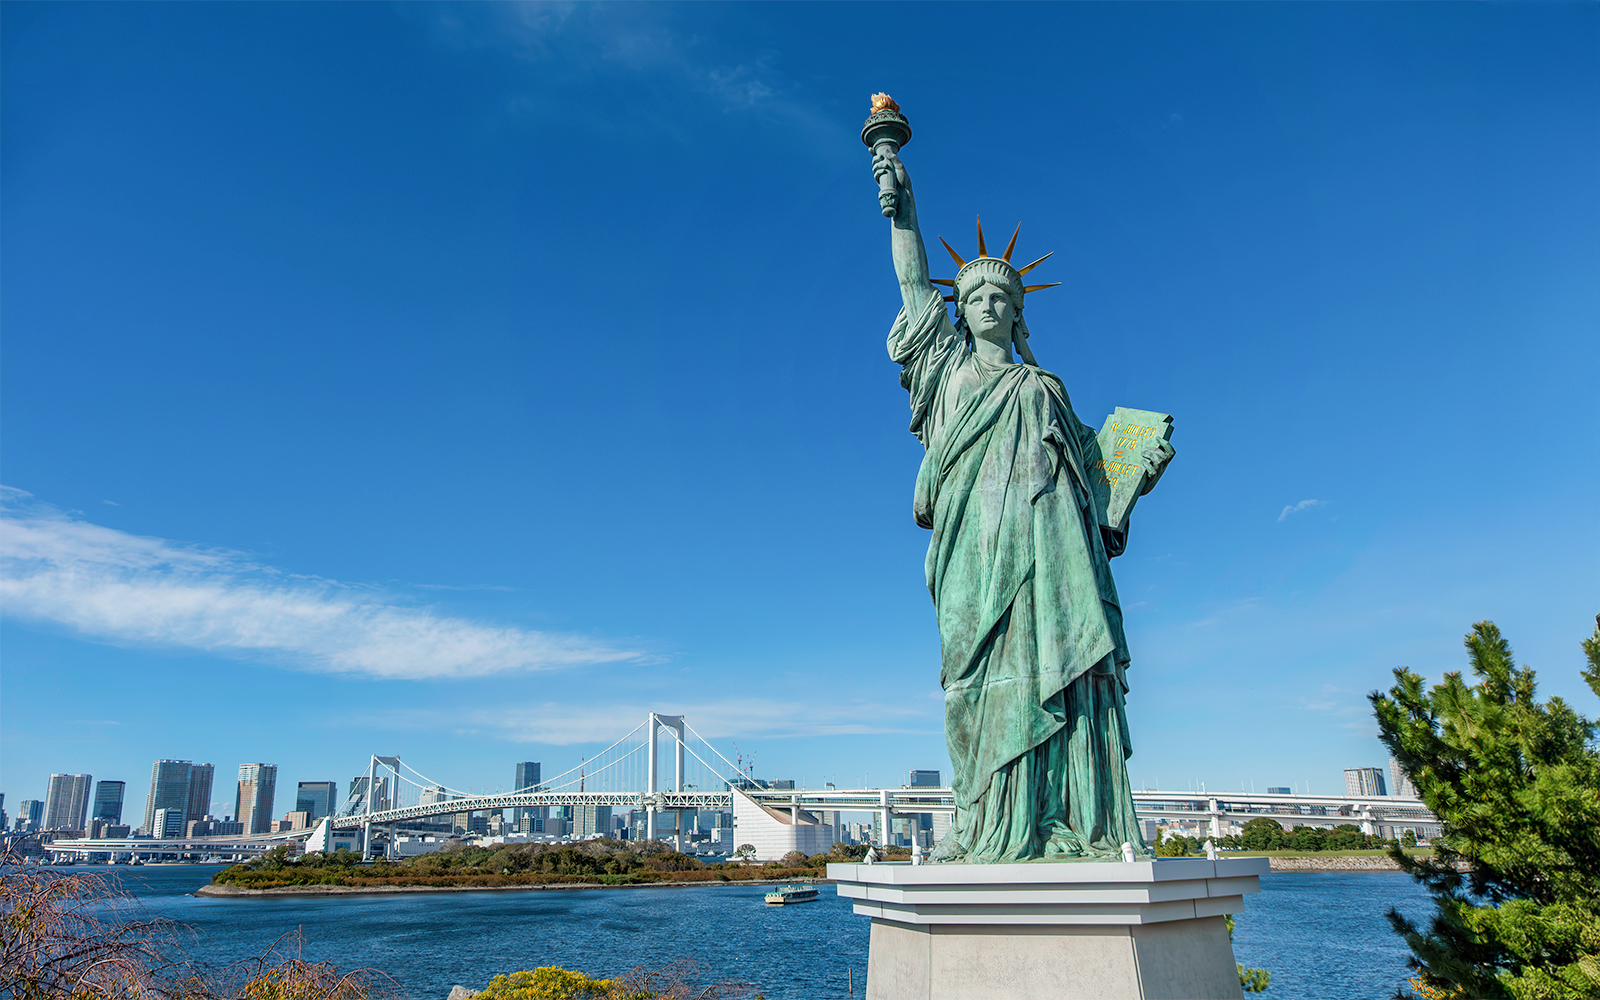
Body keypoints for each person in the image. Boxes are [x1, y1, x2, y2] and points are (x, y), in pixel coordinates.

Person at [873, 147, 1173, 863]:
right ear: (961, 310)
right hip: (971, 551)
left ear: (1017, 314)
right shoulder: (944, 369)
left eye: (1001, 299)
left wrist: (1137, 463)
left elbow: (1096, 487)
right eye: (974, 297)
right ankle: (984, 824)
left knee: (1055, 675)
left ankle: (1060, 820)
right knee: (973, 688)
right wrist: (902, 202)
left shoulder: (1046, 387)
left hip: (1050, 554)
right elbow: (915, 285)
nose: (988, 305)